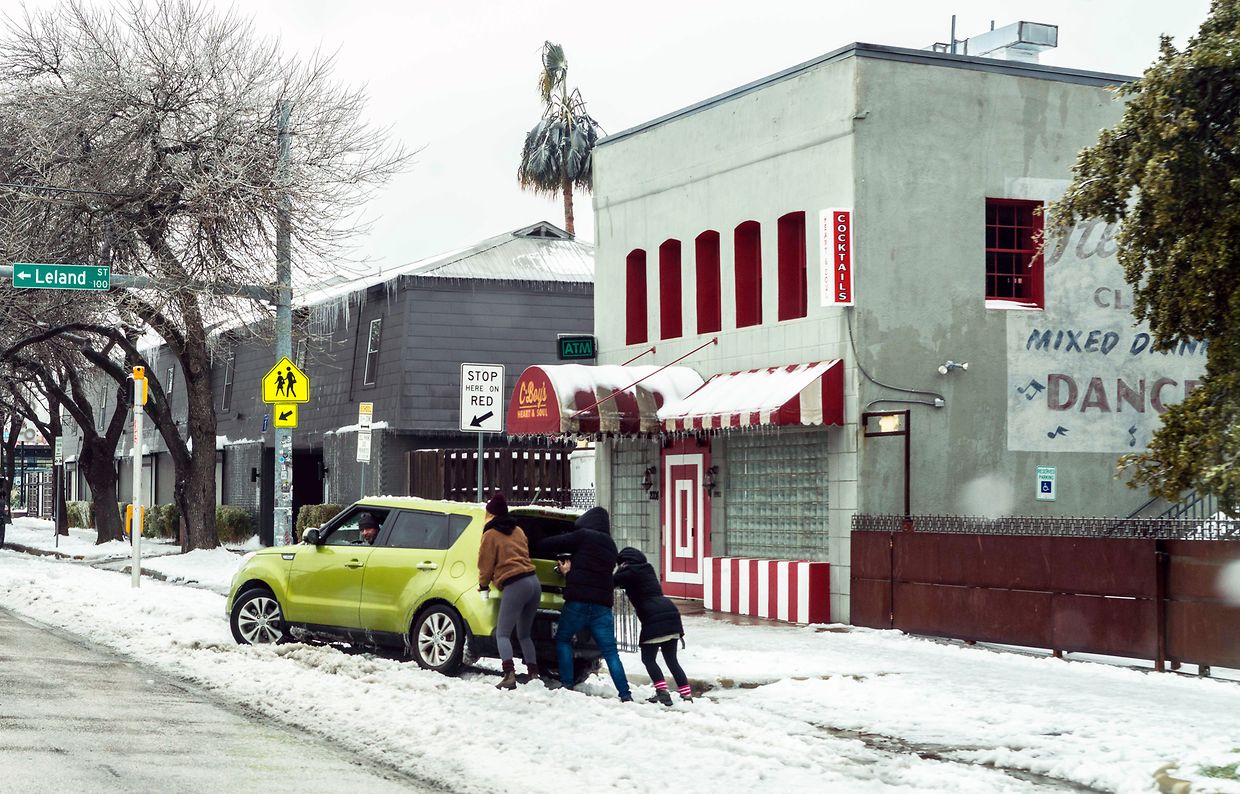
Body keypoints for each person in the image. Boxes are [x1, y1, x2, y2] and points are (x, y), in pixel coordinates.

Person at [536, 506, 632, 702]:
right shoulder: (611, 546)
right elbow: (595, 571)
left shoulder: (583, 536)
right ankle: (625, 694)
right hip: (602, 607)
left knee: (563, 640)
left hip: (578, 602)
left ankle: (567, 684)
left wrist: (536, 541)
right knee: (611, 652)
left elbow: (553, 543)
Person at [476, 492, 543, 690]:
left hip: (516, 584)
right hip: (534, 582)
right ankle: (533, 675)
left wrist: (483, 585)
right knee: (524, 634)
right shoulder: (519, 530)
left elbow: (485, 565)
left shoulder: (490, 534)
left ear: (491, 514)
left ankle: (509, 675)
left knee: (502, 633)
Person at [614, 547, 692, 706]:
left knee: (648, 659)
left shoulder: (628, 571)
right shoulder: (647, 568)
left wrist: (619, 569)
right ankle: (686, 695)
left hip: (653, 616)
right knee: (672, 660)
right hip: (670, 612)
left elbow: (612, 582)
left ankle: (663, 693)